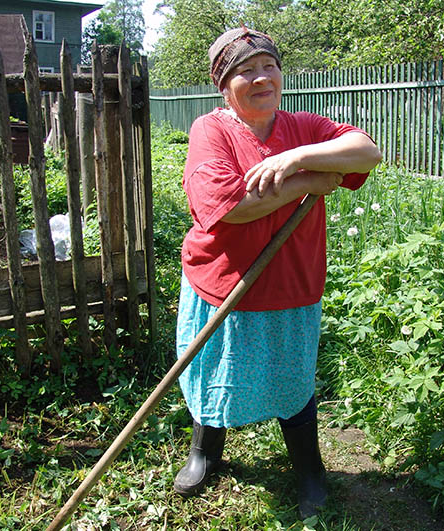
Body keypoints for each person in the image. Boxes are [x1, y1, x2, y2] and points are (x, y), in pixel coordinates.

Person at [173, 27, 382, 519]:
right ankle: (205, 453)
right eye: (246, 70)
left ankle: (309, 470)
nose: (261, 77)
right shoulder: (212, 130)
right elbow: (229, 206)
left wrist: (295, 157)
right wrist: (311, 179)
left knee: (293, 380)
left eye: (269, 66)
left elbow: (367, 152)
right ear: (225, 85)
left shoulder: (302, 126)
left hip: (291, 282)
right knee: (212, 373)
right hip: (222, 280)